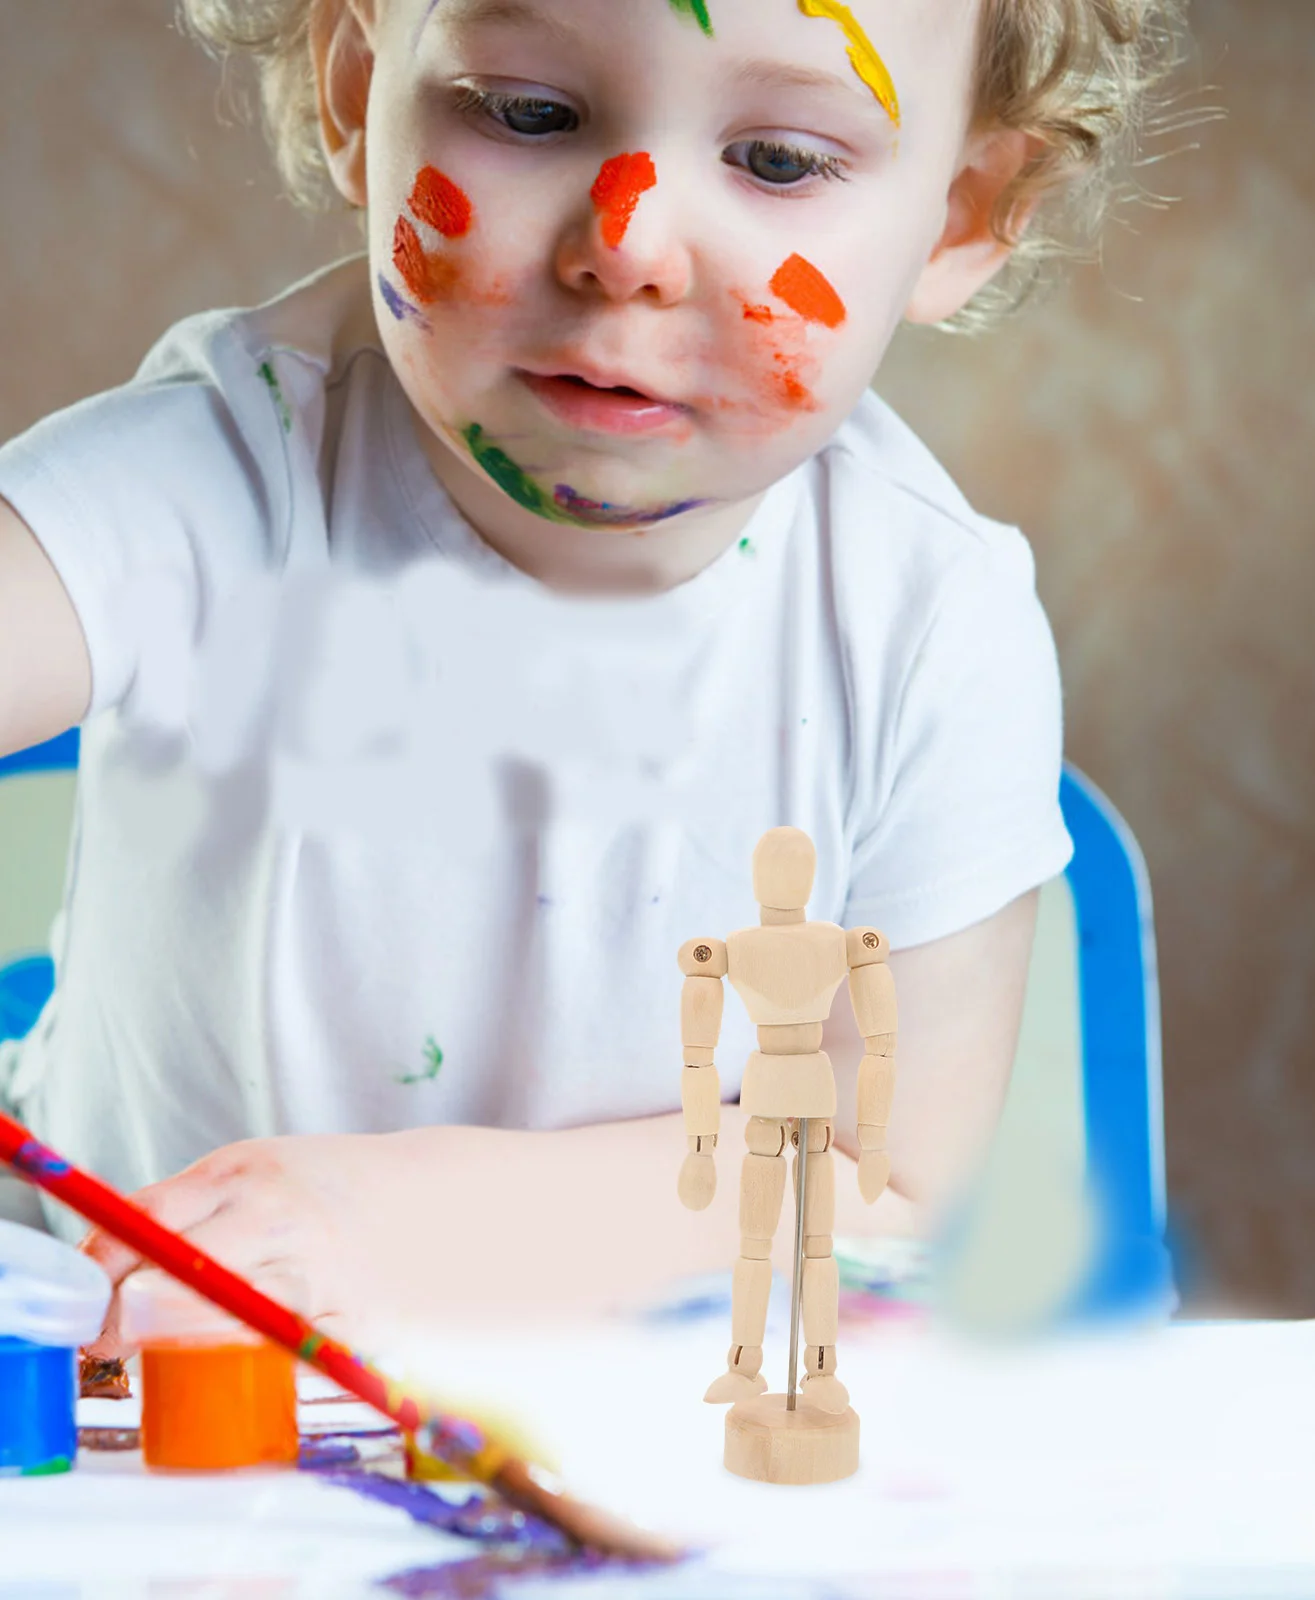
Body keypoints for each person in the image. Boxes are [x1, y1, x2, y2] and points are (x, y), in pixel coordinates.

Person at [0, 0, 1185, 1341]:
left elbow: (885, 1180)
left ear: (968, 210)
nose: (626, 247)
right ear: (354, 88)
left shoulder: (929, 624)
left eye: (781, 161)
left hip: (639, 1453)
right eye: (527, 112)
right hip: (114, 1432)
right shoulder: (223, 468)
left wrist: (391, 1224)